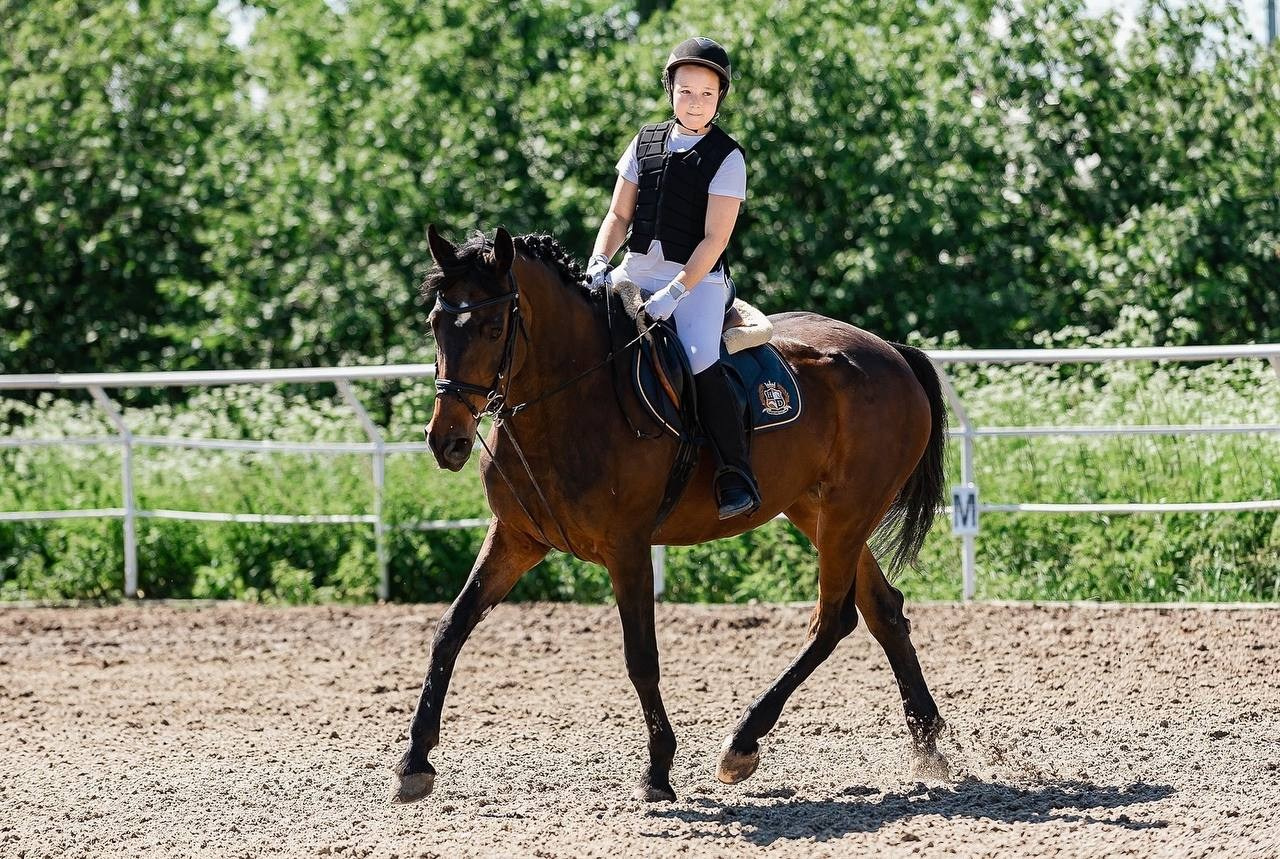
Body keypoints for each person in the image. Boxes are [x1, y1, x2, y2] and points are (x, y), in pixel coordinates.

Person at [585, 36, 760, 520]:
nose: (695, 102)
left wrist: (675, 292)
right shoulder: (644, 141)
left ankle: (734, 473)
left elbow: (714, 239)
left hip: (698, 281)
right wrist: (600, 261)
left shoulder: (728, 156)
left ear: (720, 97)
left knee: (701, 356)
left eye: (706, 94)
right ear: (670, 90)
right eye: (686, 91)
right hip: (635, 268)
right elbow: (618, 216)